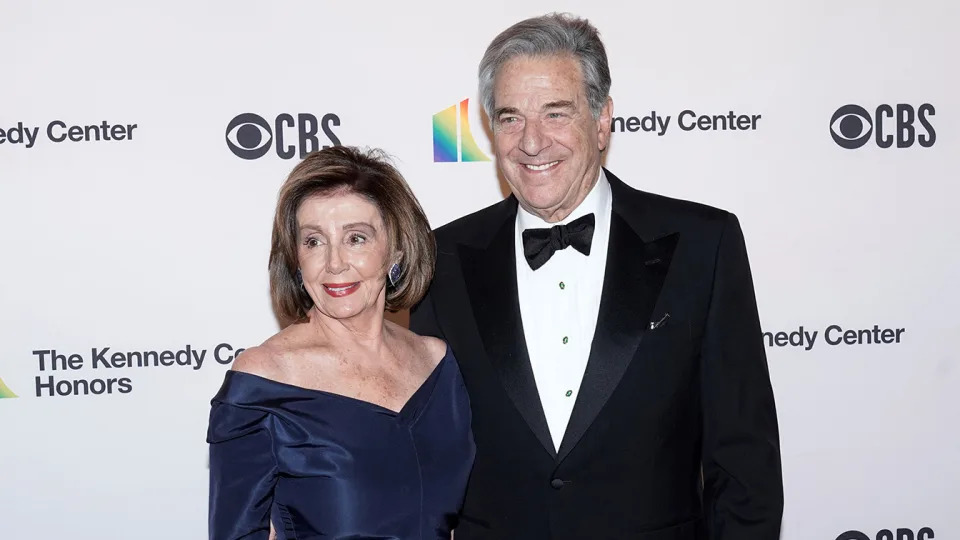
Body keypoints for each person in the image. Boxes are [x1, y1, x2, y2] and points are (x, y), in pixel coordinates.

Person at [410, 13, 783, 540]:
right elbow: (422, 462)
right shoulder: (440, 259)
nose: (531, 142)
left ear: (603, 119)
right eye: (510, 117)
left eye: (556, 114)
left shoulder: (703, 244)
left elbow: (745, 463)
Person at [206, 146, 475, 540]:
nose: (334, 263)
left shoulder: (436, 362)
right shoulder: (264, 379)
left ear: (395, 250)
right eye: (313, 241)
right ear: (296, 260)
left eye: (356, 238)